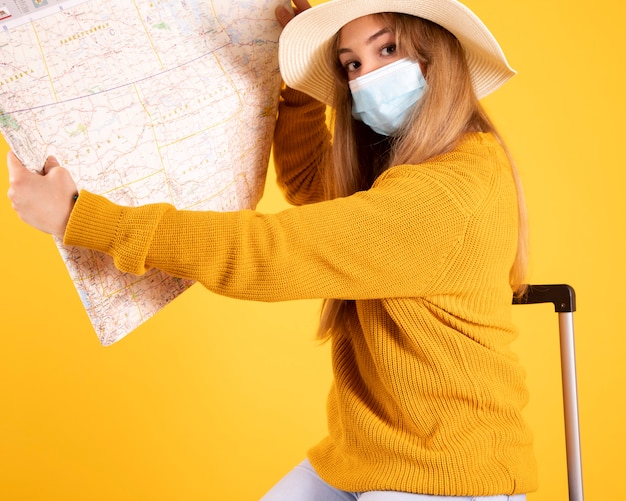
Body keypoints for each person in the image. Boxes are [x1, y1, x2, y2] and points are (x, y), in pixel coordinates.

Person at [7, 0, 534, 498]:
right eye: (349, 65)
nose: (365, 77)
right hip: (362, 456)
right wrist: (301, 86)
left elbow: (272, 253)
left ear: (437, 54)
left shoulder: (453, 189)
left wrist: (81, 216)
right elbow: (311, 181)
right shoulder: (410, 171)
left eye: (387, 49)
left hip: (448, 471)